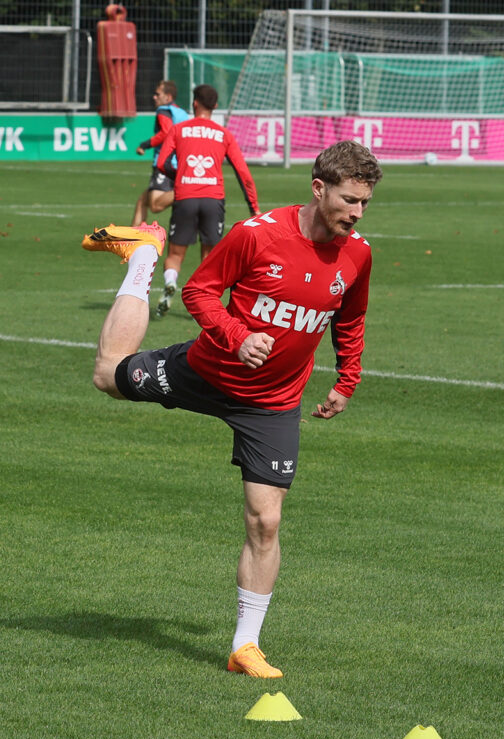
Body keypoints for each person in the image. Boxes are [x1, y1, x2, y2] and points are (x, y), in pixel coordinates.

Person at [82, 140, 382, 678]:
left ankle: (245, 647)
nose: (357, 214)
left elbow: (350, 320)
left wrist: (348, 380)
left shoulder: (357, 253)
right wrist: (237, 336)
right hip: (206, 372)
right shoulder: (257, 235)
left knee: (265, 521)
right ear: (319, 189)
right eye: (350, 200)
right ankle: (143, 257)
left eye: (365, 203)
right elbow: (200, 292)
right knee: (107, 374)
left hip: (272, 403)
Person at [153, 84, 260, 317]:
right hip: (213, 200)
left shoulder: (179, 129)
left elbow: (162, 163)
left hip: (185, 197)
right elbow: (244, 175)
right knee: (210, 257)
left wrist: (179, 176)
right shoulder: (224, 134)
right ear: (215, 106)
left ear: (194, 104)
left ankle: (170, 282)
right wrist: (254, 208)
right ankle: (202, 305)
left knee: (175, 253)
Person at [131, 80, 190, 227]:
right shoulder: (182, 113)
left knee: (155, 205)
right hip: (181, 163)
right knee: (142, 201)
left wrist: (144, 145)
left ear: (168, 97)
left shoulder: (163, 110)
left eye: (158, 94)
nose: (154, 97)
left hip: (166, 163)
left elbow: (165, 132)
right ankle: (132, 243)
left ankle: (189, 190)